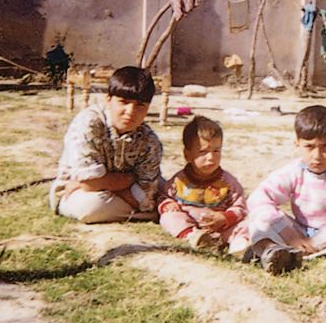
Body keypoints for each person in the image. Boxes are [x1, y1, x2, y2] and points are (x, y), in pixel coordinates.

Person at [246, 105, 326, 274]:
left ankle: (296, 254)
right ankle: (273, 250)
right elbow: (259, 198)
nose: (317, 155)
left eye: (325, 147)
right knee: (258, 220)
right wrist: (290, 235)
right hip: (299, 232)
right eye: (309, 147)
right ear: (297, 144)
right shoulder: (293, 172)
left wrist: (317, 241)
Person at [49, 66, 162, 223]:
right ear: (108, 100)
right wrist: (129, 181)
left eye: (140, 105)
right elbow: (89, 184)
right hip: (79, 194)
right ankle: (148, 215)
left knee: (168, 191)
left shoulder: (149, 140)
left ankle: (144, 212)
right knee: (92, 207)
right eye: (124, 102)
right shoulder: (89, 123)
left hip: (111, 193)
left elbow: (146, 193)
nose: (130, 111)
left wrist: (109, 184)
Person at [157, 115, 248, 253]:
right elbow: (163, 196)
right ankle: (193, 237)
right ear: (187, 155)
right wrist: (167, 204)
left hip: (221, 228)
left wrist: (225, 217)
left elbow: (240, 206)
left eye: (216, 151)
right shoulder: (179, 181)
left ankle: (239, 247)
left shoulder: (228, 183)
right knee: (168, 217)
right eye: (203, 152)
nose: (211, 158)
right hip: (190, 224)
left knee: (248, 224)